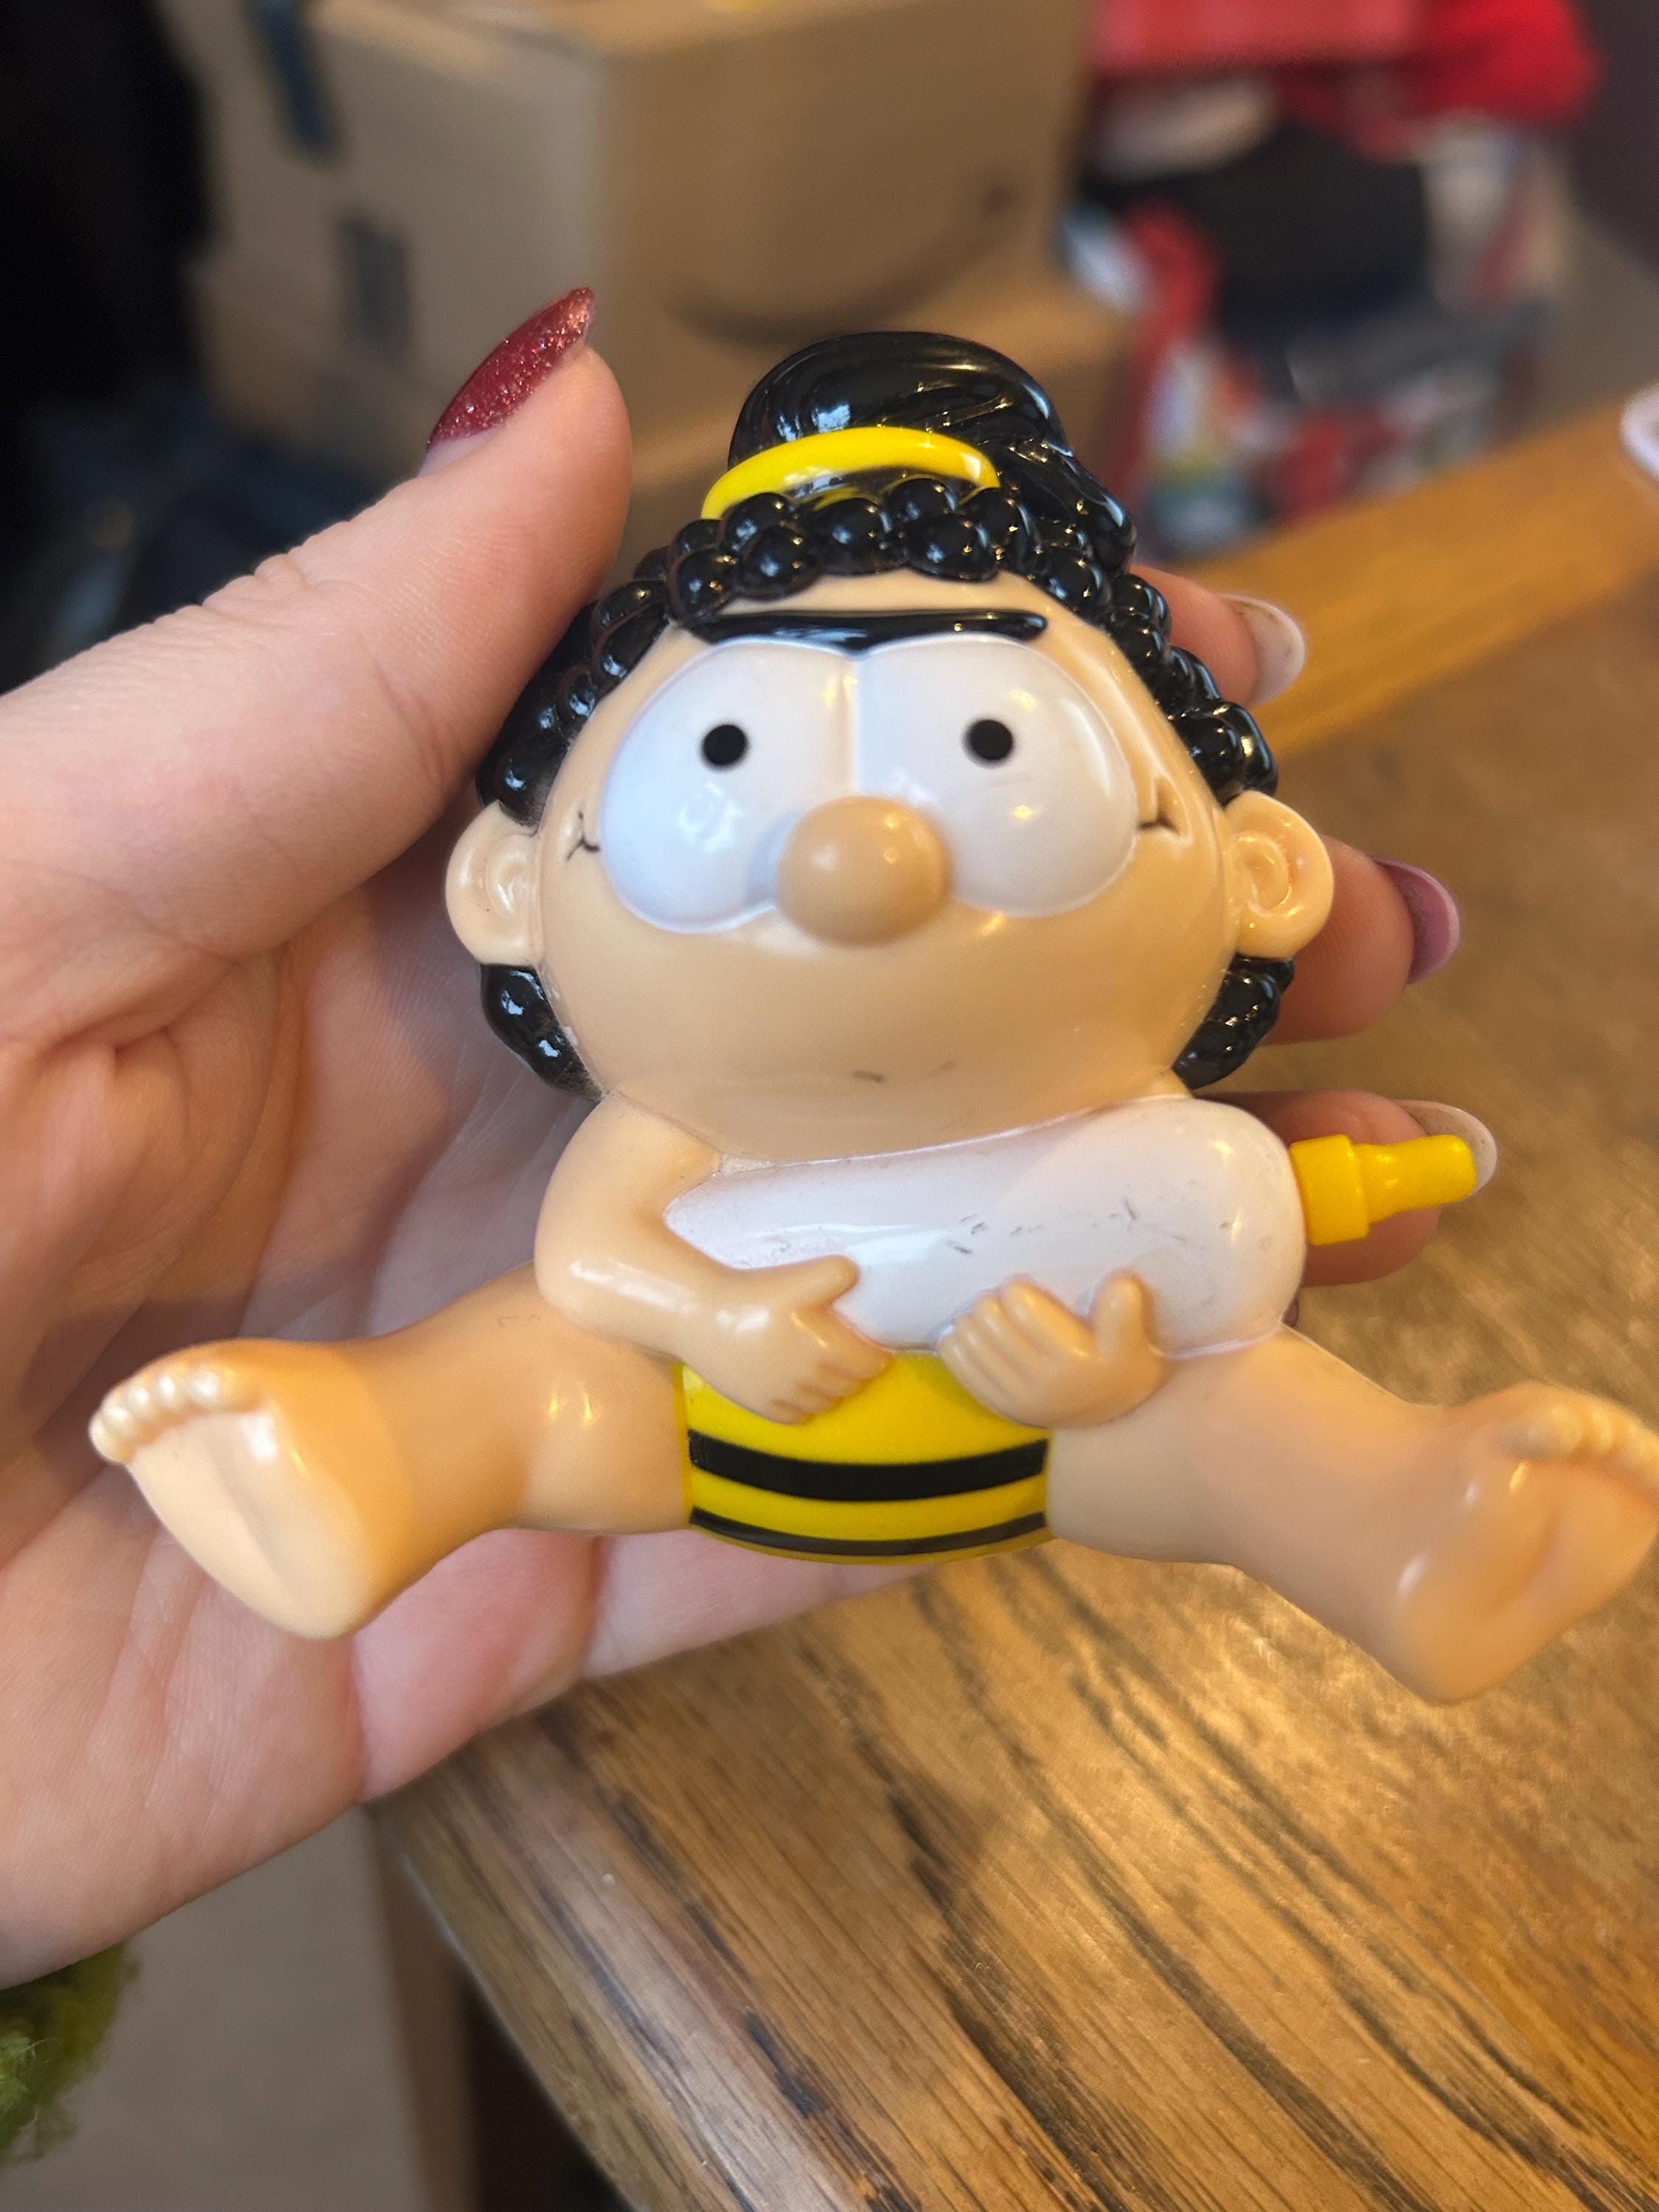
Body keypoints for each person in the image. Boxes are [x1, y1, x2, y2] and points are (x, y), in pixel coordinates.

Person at [0, 297, 1491, 1984]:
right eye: (725, 761)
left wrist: (1102, 1368)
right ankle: (367, 1466)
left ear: (1258, 872)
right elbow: (590, 1262)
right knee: (523, 1374)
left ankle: (1399, 1528)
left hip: (1044, 1443)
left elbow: (1171, 1322)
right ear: (512, 888)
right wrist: (713, 1317)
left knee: (1241, 1417)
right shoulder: (669, 1134)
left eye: (992, 754)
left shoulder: (1136, 1158)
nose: (856, 869)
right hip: (687, 1428)